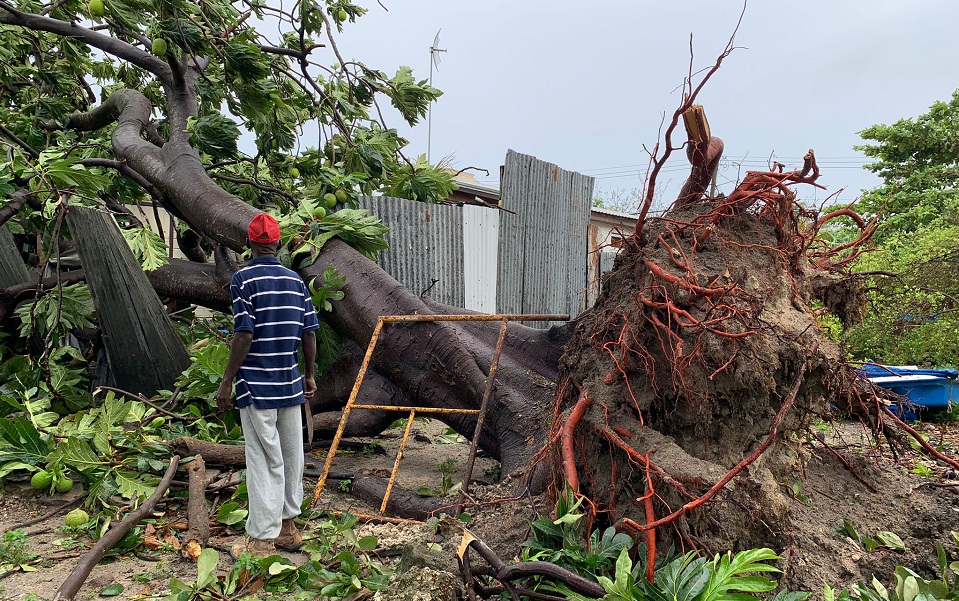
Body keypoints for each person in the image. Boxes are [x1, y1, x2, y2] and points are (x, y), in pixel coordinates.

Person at [215, 213, 319, 559]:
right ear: (278, 243)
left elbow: (244, 333)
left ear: (249, 244)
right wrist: (309, 374)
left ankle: (261, 540)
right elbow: (309, 332)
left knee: (263, 458)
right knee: (291, 455)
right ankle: (288, 528)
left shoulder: (243, 279)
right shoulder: (295, 281)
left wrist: (226, 381)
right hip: (290, 383)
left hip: (256, 386)